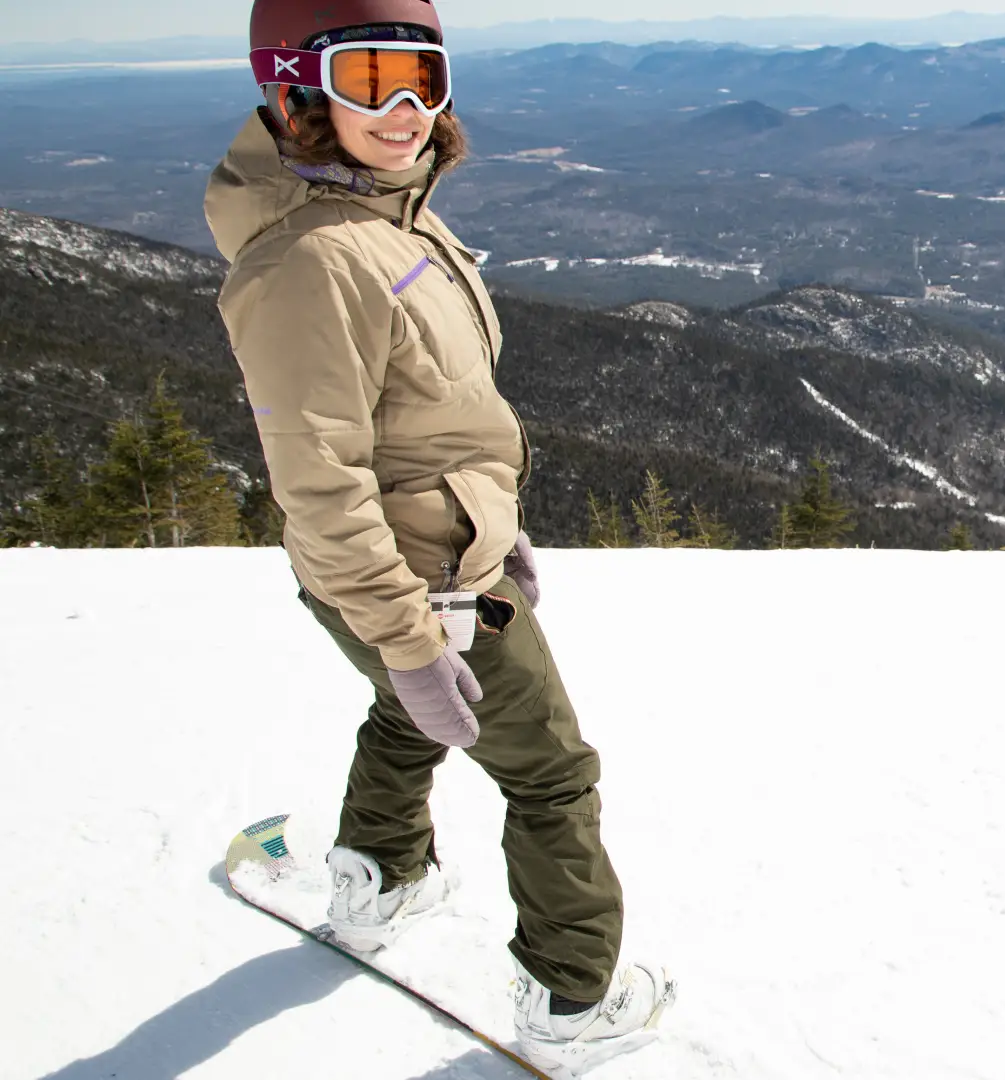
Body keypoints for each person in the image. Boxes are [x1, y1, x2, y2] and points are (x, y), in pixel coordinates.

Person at [204, 1, 672, 1072]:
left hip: (441, 562)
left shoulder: (384, 216)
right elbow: (321, 484)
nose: (407, 108)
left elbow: (426, 420)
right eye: (371, 78)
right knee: (551, 773)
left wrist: (492, 527)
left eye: (424, 75)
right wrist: (412, 636)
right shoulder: (309, 263)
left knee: (411, 711)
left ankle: (383, 873)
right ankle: (574, 998)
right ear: (295, 88)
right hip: (412, 582)